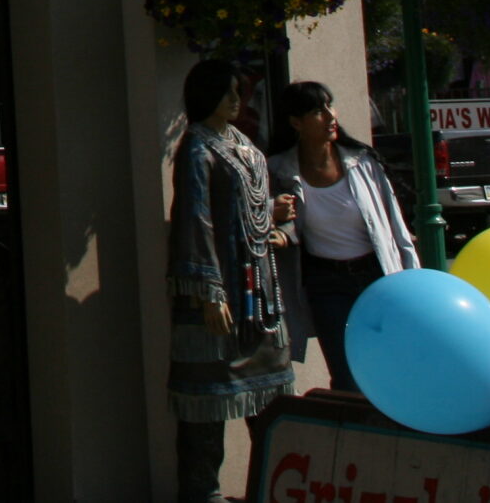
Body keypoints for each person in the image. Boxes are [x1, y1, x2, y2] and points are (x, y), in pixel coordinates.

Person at [169, 59, 294, 503]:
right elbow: (195, 219)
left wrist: (270, 221)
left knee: (271, 406)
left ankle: (271, 485)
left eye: (237, 92)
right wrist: (207, 290)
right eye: (226, 93)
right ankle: (203, 493)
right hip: (221, 291)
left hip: (258, 291)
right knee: (206, 407)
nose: (236, 101)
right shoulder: (198, 148)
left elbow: (249, 208)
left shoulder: (242, 143)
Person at [265, 79, 416, 392]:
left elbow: (395, 227)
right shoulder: (277, 169)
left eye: (329, 106)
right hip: (326, 284)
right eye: (317, 111)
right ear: (296, 122)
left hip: (374, 275)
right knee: (347, 376)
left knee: (388, 364)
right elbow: (259, 215)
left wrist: (412, 280)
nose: (330, 115)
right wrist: (274, 222)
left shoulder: (362, 162)